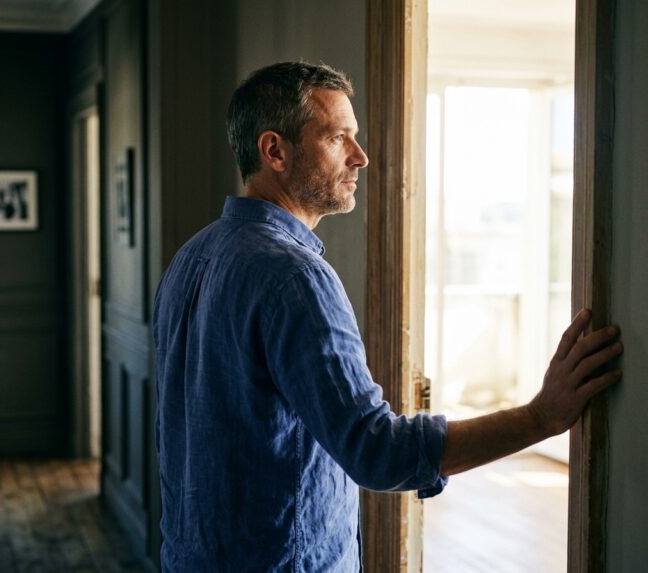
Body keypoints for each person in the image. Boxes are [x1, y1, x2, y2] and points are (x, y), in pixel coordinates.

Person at [152, 62, 623, 572]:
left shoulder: (191, 257)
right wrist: (541, 417)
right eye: (339, 138)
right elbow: (376, 451)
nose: (362, 157)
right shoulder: (293, 277)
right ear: (275, 151)